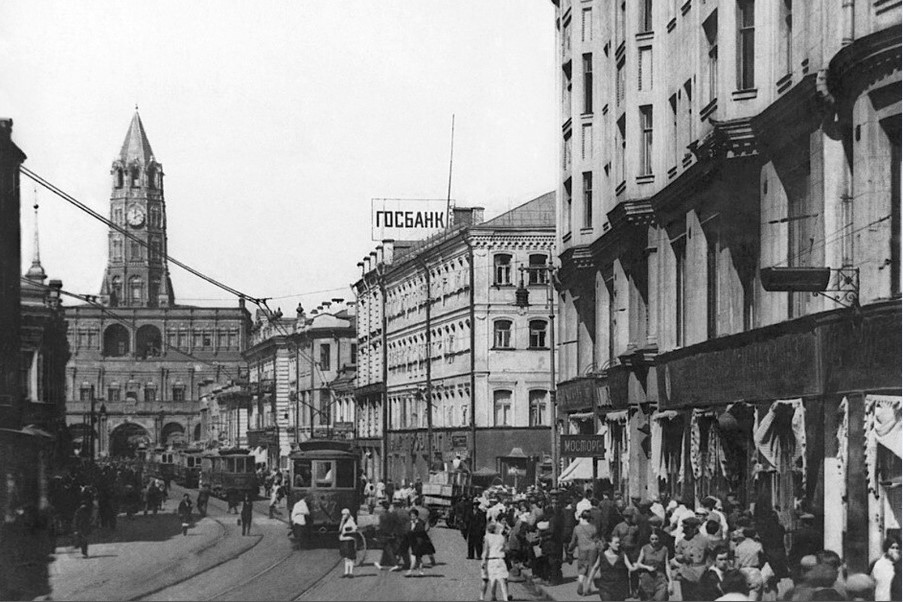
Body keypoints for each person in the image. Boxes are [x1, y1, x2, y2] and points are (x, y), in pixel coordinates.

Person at [672, 516, 709, 601]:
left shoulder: (705, 540)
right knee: (686, 598)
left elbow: (711, 556)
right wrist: (682, 557)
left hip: (701, 574)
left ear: (695, 528)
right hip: (686, 573)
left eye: (687, 529)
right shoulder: (682, 541)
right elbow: (677, 555)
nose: (684, 531)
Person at [591, 533, 635, 601]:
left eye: (619, 542)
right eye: (616, 543)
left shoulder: (623, 555)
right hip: (605, 587)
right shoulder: (602, 555)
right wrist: (588, 582)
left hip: (619, 588)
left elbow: (630, 568)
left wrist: (639, 565)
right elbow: (595, 568)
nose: (618, 544)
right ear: (609, 543)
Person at [634, 528, 673, 601]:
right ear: (649, 539)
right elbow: (638, 564)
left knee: (661, 598)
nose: (654, 541)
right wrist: (647, 567)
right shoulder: (645, 548)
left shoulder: (664, 549)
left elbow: (667, 565)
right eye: (652, 539)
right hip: (646, 580)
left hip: (660, 579)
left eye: (656, 539)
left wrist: (670, 581)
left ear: (659, 539)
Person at [568, 510, 599, 597]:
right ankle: (588, 587)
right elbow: (596, 539)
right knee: (591, 567)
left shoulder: (577, 528)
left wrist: (570, 550)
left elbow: (573, 541)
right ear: (589, 518)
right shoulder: (593, 527)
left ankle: (580, 582)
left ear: (581, 517)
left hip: (582, 549)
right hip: (592, 549)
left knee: (582, 567)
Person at [481, 521, 510, 601]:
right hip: (500, 559)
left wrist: (483, 561)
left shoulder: (487, 537)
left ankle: (493, 596)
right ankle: (505, 598)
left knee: (493, 579)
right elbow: (506, 548)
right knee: (502, 580)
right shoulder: (501, 537)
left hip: (491, 559)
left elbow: (486, 550)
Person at [872, 535, 901, 601]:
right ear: (886, 549)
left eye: (897, 548)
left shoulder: (898, 565)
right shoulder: (879, 564)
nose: (895, 550)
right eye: (892, 548)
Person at [406, 508, 429, 577]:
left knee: (413, 556)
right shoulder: (410, 522)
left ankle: (410, 571)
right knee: (418, 557)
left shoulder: (420, 523)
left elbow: (422, 531)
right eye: (411, 516)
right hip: (413, 542)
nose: (412, 517)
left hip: (419, 542)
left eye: (413, 516)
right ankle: (421, 571)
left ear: (417, 516)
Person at [338, 508, 358, 578]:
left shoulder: (351, 521)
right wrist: (342, 521)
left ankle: (351, 572)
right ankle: (346, 572)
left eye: (345, 514)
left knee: (350, 557)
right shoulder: (344, 522)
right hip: (343, 540)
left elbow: (354, 529)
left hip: (349, 540)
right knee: (346, 557)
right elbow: (340, 529)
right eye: (342, 514)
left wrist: (347, 532)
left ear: (348, 514)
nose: (343, 516)